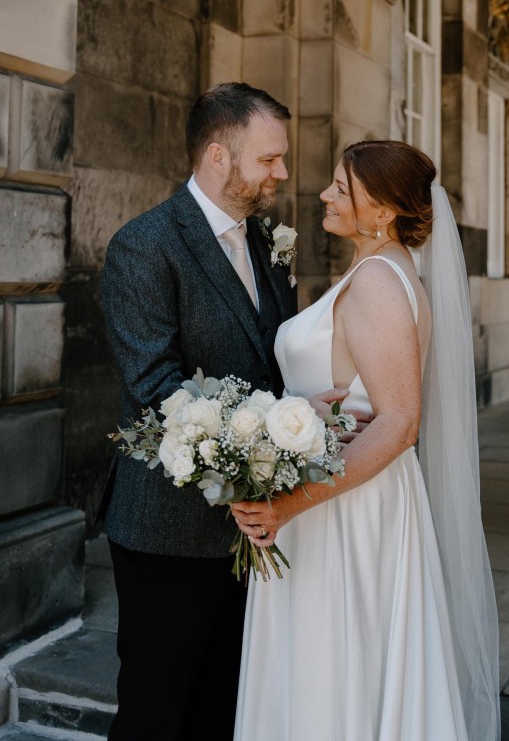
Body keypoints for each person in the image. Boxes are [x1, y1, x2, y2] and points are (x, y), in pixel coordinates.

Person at [100, 82, 357, 741]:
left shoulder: (269, 239)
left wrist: (299, 422)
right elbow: (156, 386)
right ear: (218, 156)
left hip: (252, 525)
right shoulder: (144, 246)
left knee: (228, 710)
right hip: (168, 530)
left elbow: (270, 361)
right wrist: (276, 425)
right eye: (269, 159)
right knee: (157, 713)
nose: (281, 172)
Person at [232, 140, 501, 741]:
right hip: (343, 491)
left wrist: (290, 504)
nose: (325, 195)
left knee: (334, 666)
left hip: (344, 507)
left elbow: (400, 422)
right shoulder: (380, 268)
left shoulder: (379, 281)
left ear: (380, 209)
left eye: (341, 189)